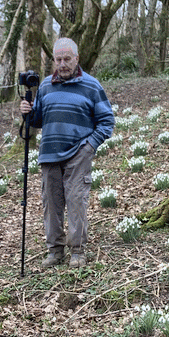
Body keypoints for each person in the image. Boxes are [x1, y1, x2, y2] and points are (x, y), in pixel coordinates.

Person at [20, 37, 115, 269]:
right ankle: (55, 251)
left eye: (67, 59)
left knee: (76, 202)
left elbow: (107, 120)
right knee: (51, 204)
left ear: (77, 59)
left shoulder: (91, 86)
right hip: (50, 154)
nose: (63, 64)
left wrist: (90, 146)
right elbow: (37, 120)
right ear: (54, 60)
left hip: (78, 153)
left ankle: (78, 251)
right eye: (58, 59)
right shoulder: (44, 86)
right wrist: (27, 112)